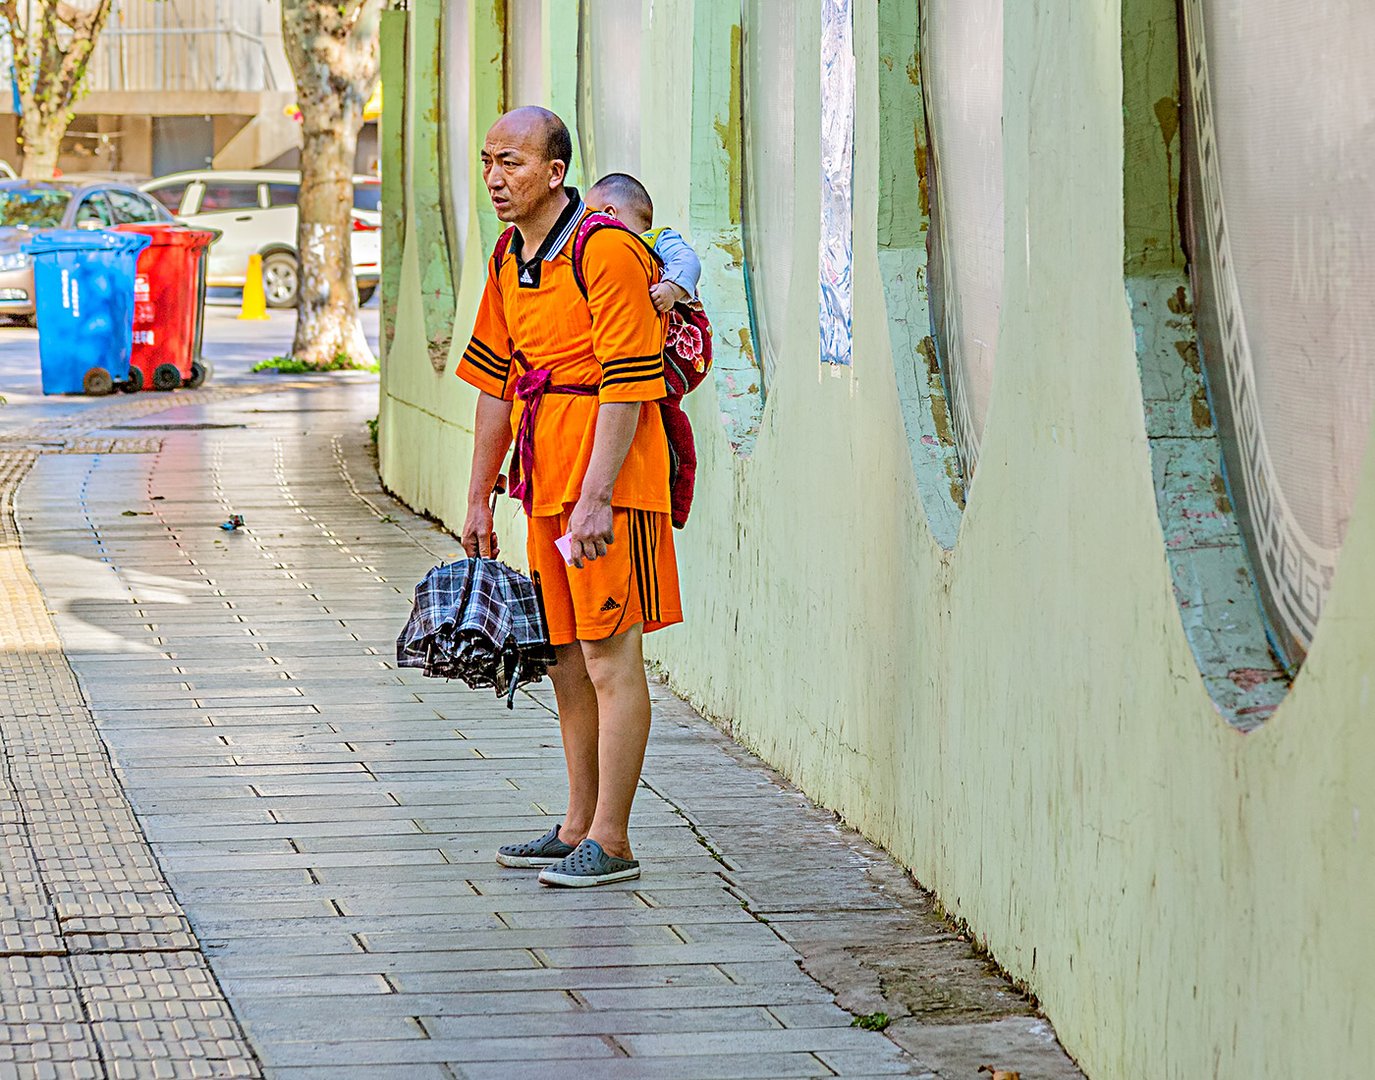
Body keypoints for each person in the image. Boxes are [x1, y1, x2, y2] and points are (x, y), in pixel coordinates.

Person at [455, 107, 682, 888]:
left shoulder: (607, 250)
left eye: (511, 162)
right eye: (488, 160)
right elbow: (494, 384)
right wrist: (480, 496)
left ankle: (612, 841)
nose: (494, 176)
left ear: (555, 172)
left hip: (607, 485)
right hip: (543, 480)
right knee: (562, 661)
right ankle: (576, 824)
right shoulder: (508, 258)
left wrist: (596, 497)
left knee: (610, 656)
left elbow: (628, 382)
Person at [585, 172, 702, 314]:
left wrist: (671, 290)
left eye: (588, 218)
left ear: (609, 215)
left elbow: (688, 260)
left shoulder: (658, 240)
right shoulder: (608, 259)